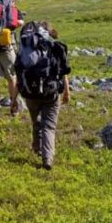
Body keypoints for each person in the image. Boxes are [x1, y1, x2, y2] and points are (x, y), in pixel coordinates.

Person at [13, 21, 71, 170]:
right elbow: (62, 71)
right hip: (50, 92)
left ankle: (36, 148)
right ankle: (47, 158)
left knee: (36, 122)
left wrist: (14, 99)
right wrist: (66, 90)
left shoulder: (25, 50)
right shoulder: (52, 47)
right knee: (49, 126)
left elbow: (18, 76)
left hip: (30, 94)